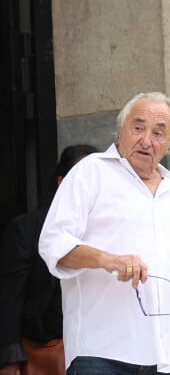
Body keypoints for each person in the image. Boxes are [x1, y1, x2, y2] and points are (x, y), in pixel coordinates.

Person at [38, 92, 170, 375]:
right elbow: (53, 242)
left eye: (159, 133)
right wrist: (108, 260)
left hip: (163, 358)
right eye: (138, 127)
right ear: (119, 130)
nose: (147, 140)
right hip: (100, 353)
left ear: (169, 144)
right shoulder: (90, 172)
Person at [0, 144, 97, 375]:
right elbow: (10, 297)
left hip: (101, 348)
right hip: (47, 346)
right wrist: (9, 359)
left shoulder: (109, 230)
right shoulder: (26, 229)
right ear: (61, 182)